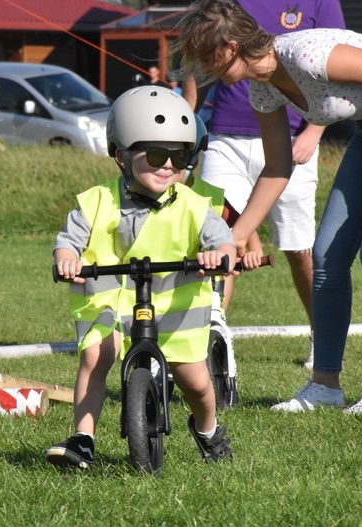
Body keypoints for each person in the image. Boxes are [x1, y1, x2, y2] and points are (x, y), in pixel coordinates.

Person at [175, 0, 362, 414]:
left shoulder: (309, 54)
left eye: (207, 57)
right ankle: (325, 385)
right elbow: (278, 166)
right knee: (326, 256)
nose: (204, 69)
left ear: (231, 46)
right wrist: (232, 239)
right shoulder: (263, 89)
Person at [45, 86, 236, 469]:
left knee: (196, 382)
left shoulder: (195, 206)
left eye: (179, 156)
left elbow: (224, 243)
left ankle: (208, 428)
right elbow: (68, 242)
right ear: (121, 154)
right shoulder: (95, 201)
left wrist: (218, 256)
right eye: (156, 154)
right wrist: (67, 259)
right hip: (110, 298)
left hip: (177, 303)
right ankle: (83, 439)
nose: (169, 166)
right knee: (96, 358)